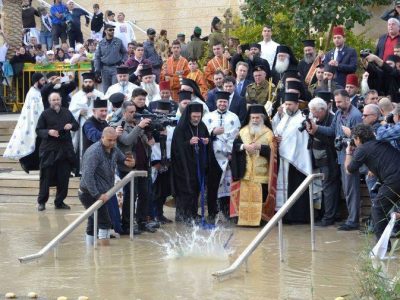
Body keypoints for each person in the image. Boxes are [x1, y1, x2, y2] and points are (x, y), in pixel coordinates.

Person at [307, 89, 363, 230]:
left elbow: (359, 140)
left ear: (348, 100)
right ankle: (351, 219)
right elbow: (332, 131)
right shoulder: (338, 113)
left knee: (351, 189)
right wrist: (316, 128)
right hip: (341, 156)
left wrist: (349, 136)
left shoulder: (355, 115)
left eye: (339, 102)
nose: (336, 105)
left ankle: (353, 221)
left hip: (351, 157)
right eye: (336, 101)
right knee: (347, 188)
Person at [345, 124, 400, 245]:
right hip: (395, 178)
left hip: (395, 180)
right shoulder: (381, 143)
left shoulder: (362, 149)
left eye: (354, 139)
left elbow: (349, 170)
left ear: (358, 138)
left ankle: (383, 248)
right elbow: (382, 159)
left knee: (377, 209)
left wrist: (348, 152)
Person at [79, 127, 135, 245]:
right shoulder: (94, 152)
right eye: (110, 140)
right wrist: (97, 194)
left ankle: (91, 252)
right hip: (89, 193)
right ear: (102, 138)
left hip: (102, 192)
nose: (113, 143)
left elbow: (123, 160)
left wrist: (129, 162)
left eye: (114, 140)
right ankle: (105, 256)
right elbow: (87, 176)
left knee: (93, 222)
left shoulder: (114, 149)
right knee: (104, 222)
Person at [230, 104, 273, 225]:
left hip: (261, 175)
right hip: (246, 173)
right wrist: (244, 146)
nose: (255, 120)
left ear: (262, 118)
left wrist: (260, 147)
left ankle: (259, 221)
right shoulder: (243, 131)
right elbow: (235, 146)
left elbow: (274, 153)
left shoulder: (268, 133)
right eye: (252, 118)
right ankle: (244, 221)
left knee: (260, 200)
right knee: (245, 200)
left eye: (257, 118)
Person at [35, 92, 79, 211]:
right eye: (53, 100)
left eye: (57, 99)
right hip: (49, 150)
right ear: (49, 101)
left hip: (65, 150)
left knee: (64, 177)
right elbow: (38, 130)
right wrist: (49, 132)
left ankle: (59, 202)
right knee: (46, 177)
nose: (56, 102)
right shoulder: (45, 114)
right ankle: (42, 202)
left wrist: (71, 125)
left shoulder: (67, 112)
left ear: (61, 100)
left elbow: (76, 125)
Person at [274, 92, 312, 223]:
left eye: (290, 104)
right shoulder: (285, 117)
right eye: (286, 104)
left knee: (296, 187)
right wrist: (277, 139)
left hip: (297, 160)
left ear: (297, 104)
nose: (287, 107)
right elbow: (279, 132)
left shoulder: (302, 118)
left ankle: (298, 217)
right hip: (284, 159)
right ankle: (285, 216)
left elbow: (299, 138)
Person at [204, 91, 241, 220]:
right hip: (213, 156)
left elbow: (236, 136)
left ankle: (228, 212)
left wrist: (232, 153)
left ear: (228, 103)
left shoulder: (234, 117)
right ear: (216, 103)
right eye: (220, 102)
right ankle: (212, 212)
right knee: (213, 184)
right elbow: (203, 134)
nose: (222, 104)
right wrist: (212, 132)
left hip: (228, 156)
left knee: (228, 184)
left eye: (225, 102)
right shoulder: (208, 117)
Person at [171, 102, 210, 223]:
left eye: (199, 116)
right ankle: (183, 215)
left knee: (195, 189)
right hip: (183, 167)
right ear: (189, 115)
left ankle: (193, 214)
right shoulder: (181, 128)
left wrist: (206, 141)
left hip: (197, 165)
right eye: (194, 117)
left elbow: (207, 140)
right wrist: (188, 143)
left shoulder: (202, 126)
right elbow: (176, 149)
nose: (197, 119)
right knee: (185, 191)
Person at [308, 97, 340, 226]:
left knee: (329, 188)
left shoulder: (332, 119)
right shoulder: (318, 119)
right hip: (320, 160)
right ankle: (327, 215)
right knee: (326, 188)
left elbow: (332, 140)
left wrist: (316, 131)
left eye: (314, 111)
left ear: (322, 110)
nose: (312, 114)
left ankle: (328, 218)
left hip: (330, 160)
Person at [4, 73, 45, 172]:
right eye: (42, 80)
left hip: (38, 122)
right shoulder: (33, 93)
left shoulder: (38, 91)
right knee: (31, 142)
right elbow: (34, 109)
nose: (44, 82)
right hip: (31, 122)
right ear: (37, 81)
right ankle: (25, 163)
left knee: (37, 144)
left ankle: (34, 165)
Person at [69, 72, 104, 168]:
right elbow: (71, 111)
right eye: (85, 82)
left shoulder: (99, 94)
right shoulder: (76, 96)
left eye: (90, 82)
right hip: (82, 123)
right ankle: (82, 168)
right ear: (83, 83)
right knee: (82, 144)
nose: (88, 84)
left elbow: (106, 109)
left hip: (97, 124)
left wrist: (95, 98)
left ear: (94, 83)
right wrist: (79, 112)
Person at [150, 100, 175, 223]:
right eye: (160, 114)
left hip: (168, 161)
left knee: (164, 190)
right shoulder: (152, 126)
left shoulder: (171, 128)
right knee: (155, 190)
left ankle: (160, 214)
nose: (162, 117)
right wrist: (155, 163)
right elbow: (151, 146)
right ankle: (153, 214)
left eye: (165, 114)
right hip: (156, 162)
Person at [94, 23, 127, 92]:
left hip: (116, 68)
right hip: (104, 68)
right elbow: (97, 57)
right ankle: (107, 102)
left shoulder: (118, 41)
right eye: (110, 30)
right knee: (106, 89)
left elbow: (125, 52)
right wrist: (97, 70)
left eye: (113, 30)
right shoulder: (101, 43)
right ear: (105, 31)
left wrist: (123, 61)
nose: (112, 31)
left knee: (115, 88)